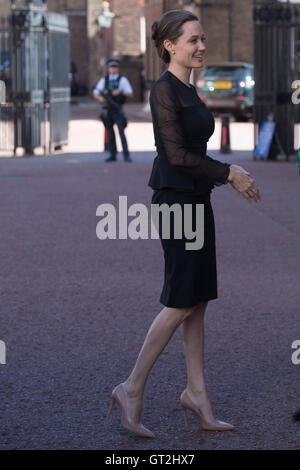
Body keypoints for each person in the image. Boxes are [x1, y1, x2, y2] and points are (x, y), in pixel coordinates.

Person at [107, 10, 261, 438]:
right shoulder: (164, 90)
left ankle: (197, 394)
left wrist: (222, 176)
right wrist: (229, 173)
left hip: (196, 199)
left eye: (202, 39)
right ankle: (131, 387)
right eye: (192, 40)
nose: (200, 47)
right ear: (170, 46)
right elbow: (175, 155)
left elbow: (191, 151)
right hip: (176, 202)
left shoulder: (190, 89)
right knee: (180, 300)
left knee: (198, 301)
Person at [93, 59, 133, 162]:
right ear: (108, 68)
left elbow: (130, 93)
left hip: (118, 109)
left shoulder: (122, 80)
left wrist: (120, 92)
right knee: (110, 133)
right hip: (108, 110)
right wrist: (100, 98)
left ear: (117, 68)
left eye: (115, 67)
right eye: (111, 67)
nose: (113, 69)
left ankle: (126, 155)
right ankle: (112, 154)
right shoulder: (104, 80)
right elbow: (96, 92)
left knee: (121, 132)